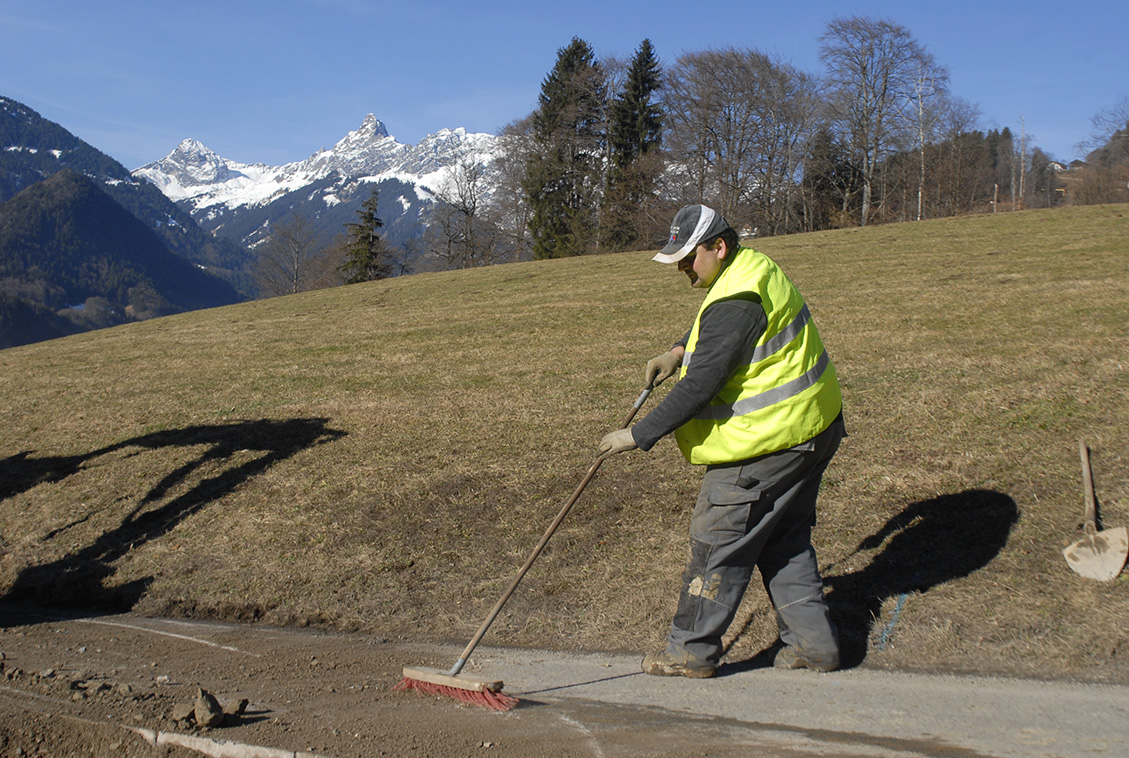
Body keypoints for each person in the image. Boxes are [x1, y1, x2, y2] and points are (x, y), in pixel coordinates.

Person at [598, 204, 845, 678]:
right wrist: (677, 350)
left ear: (719, 247)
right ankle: (815, 646)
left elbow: (699, 387)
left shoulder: (736, 302)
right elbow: (719, 327)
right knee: (784, 539)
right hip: (814, 425)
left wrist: (638, 434)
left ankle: (690, 652)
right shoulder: (752, 269)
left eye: (688, 258)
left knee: (717, 543)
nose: (682, 268)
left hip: (767, 443)